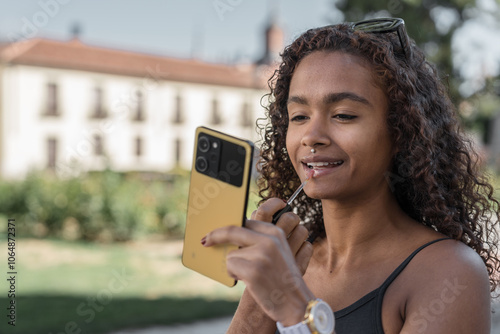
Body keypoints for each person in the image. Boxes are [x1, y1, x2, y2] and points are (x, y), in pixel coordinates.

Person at [201, 18, 500, 333]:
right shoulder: (287, 262)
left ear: (400, 131)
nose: (311, 136)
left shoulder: (450, 274)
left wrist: (295, 309)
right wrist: (258, 296)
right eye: (299, 116)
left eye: (343, 115)